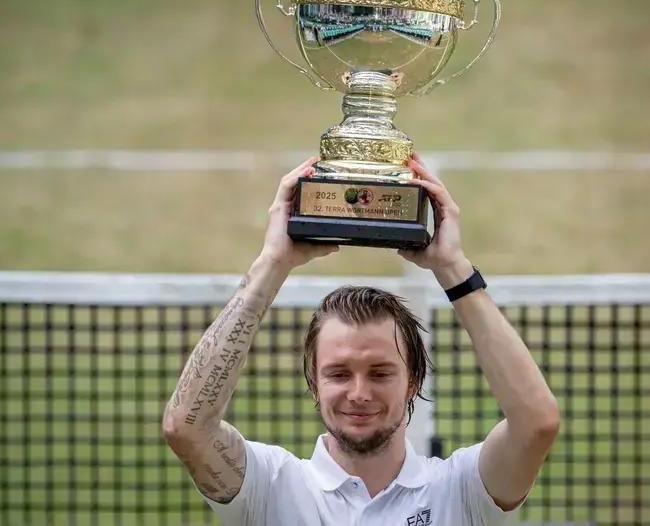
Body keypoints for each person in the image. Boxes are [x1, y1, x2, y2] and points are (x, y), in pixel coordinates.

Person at [162, 154, 560, 525]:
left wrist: (453, 267)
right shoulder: (270, 486)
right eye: (338, 373)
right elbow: (186, 427)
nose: (359, 392)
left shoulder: (462, 490)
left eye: (380, 372)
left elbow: (536, 423)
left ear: (414, 380)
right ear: (314, 382)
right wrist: (273, 262)